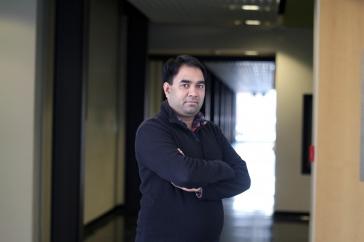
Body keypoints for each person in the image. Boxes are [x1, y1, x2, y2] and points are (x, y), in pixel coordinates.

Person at [134, 55, 251, 242]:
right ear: (167, 89)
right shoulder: (152, 130)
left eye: (200, 85)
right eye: (185, 85)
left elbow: (243, 178)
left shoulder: (211, 130)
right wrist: (223, 167)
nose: (194, 92)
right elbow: (184, 174)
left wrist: (202, 190)